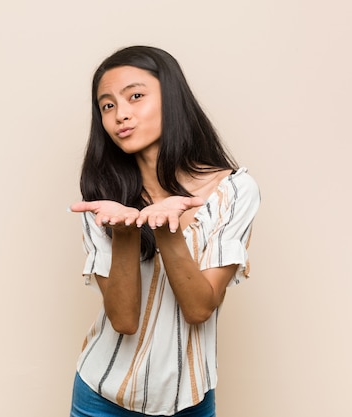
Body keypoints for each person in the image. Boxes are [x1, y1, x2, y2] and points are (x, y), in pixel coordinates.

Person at [68, 45, 260, 417]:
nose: (120, 114)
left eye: (135, 96)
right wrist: (125, 232)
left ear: (171, 98)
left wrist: (167, 231)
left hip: (189, 399)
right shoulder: (102, 200)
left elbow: (199, 308)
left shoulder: (233, 191)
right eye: (107, 106)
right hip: (101, 396)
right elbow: (123, 320)